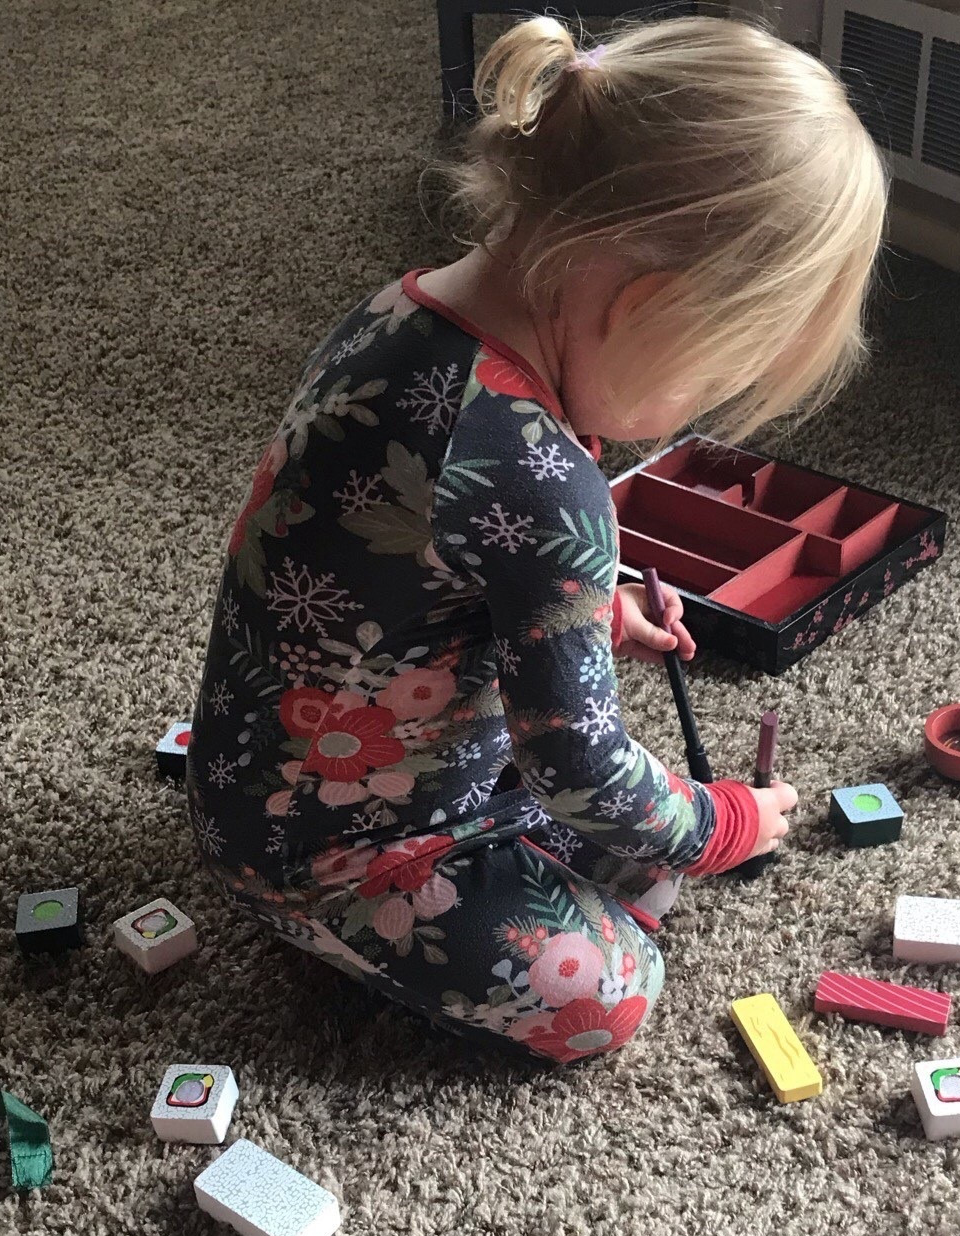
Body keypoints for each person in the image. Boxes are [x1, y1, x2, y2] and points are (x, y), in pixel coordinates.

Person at [186, 13, 886, 1062]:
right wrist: (721, 821)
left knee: (617, 850)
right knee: (611, 990)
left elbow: (400, 557)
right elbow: (582, 772)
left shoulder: (400, 310)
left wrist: (592, 608)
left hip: (246, 775)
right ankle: (332, 917)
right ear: (648, 305)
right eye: (710, 379)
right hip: (337, 853)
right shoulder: (548, 481)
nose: (687, 417)